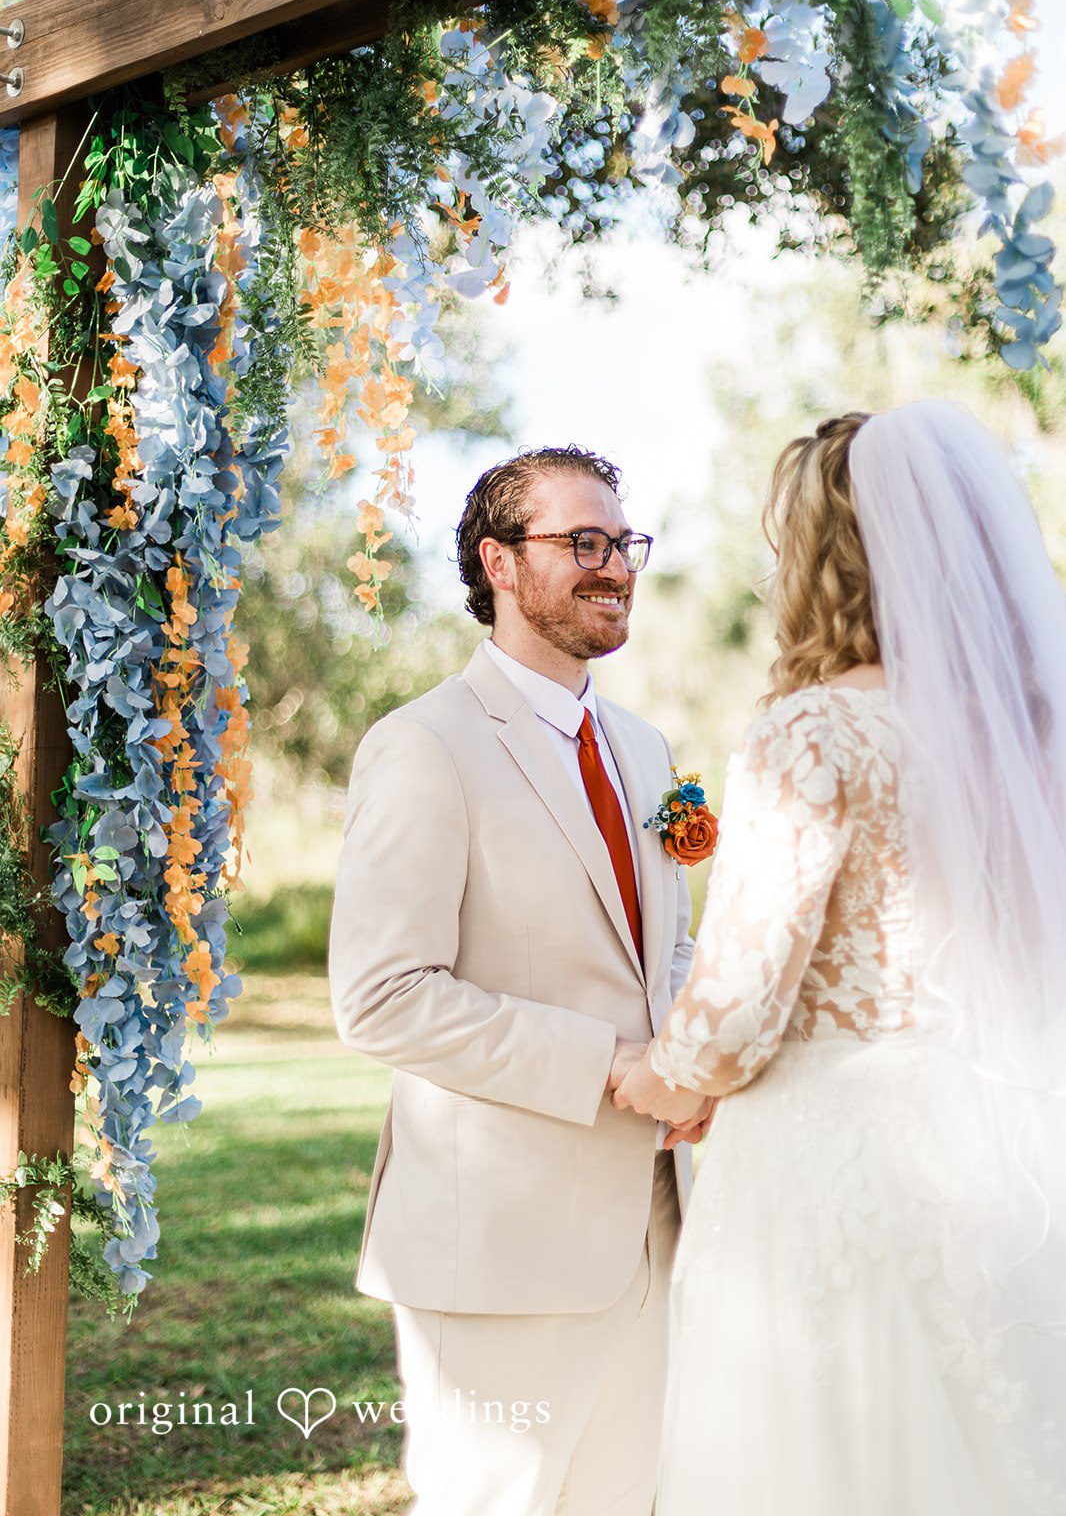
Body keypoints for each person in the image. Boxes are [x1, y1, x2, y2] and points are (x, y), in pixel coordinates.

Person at [614, 400, 1066, 1515]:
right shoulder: (1033, 733)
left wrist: (660, 1077)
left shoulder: (812, 732)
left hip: (840, 1154)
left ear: (822, 559)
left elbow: (737, 999)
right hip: (1012, 1134)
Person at [327, 444, 714, 1515]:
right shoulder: (421, 746)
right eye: (579, 541)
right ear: (498, 562)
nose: (614, 565)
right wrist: (614, 1064)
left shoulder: (644, 748)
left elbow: (662, 947)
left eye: (622, 542)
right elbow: (383, 994)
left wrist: (693, 1056)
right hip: (499, 1244)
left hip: (657, 1227)